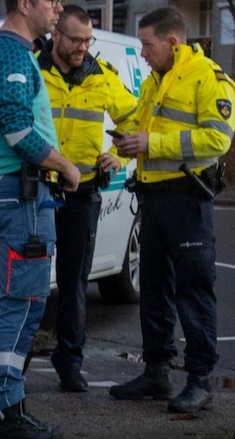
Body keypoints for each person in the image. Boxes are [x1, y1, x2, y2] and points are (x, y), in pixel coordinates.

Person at [0, 0, 81, 439]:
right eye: (50, 1)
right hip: (19, 195)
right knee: (23, 304)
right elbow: (17, 130)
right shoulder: (14, 53)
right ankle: (7, 410)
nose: (57, 9)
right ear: (25, 4)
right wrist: (66, 166)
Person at [110, 7, 234, 414]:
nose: (142, 52)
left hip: (185, 197)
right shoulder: (157, 80)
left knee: (193, 289)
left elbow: (217, 140)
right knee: (155, 288)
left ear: (172, 42)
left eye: (147, 44)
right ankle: (156, 371)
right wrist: (121, 148)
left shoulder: (208, 78)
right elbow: (145, 130)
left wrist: (151, 145)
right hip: (153, 195)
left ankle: (199, 380)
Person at [38, 4, 138, 393]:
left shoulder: (102, 77)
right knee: (29, 279)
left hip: (83, 193)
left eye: (87, 40)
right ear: (56, 35)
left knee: (74, 281)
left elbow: (135, 121)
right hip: (38, 188)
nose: (82, 48)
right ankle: (19, 357)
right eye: (75, 40)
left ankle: (69, 363)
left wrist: (120, 154)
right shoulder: (34, 69)